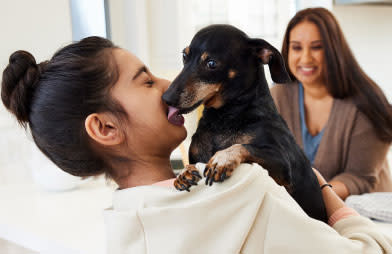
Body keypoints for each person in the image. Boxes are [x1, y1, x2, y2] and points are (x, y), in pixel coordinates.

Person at [1, 37, 391, 253]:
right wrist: (328, 197)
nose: (169, 89)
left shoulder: (122, 223)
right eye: (146, 81)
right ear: (104, 127)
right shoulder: (245, 191)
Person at [270, 7, 392, 200]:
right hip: (307, 213)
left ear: (334, 50)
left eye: (317, 47)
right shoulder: (279, 95)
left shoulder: (366, 103)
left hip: (366, 217)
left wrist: (309, 198)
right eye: (297, 47)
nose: (305, 58)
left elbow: (359, 178)